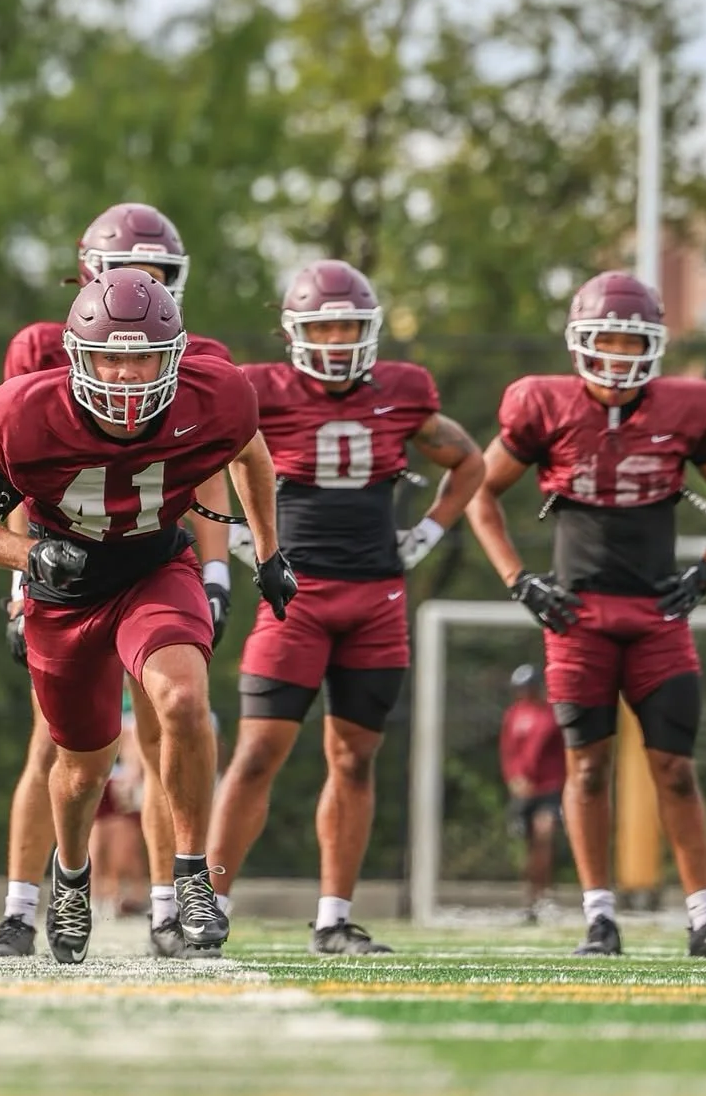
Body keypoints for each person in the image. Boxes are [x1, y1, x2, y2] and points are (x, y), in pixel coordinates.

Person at [0, 267, 296, 962]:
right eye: (110, 357)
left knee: (184, 702)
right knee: (82, 770)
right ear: (79, 355)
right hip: (66, 592)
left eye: (145, 358)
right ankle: (71, 878)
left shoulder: (216, 395)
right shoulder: (22, 414)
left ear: (174, 357)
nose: (128, 374)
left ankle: (191, 876)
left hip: (153, 568)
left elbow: (250, 453)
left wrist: (270, 551)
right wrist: (28, 557)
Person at [0, 202, 237, 961]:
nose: (145, 283)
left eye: (160, 272)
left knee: (168, 729)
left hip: (152, 560)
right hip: (64, 568)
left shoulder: (196, 359)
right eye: (131, 268)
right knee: (60, 750)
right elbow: (19, 472)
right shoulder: (44, 348)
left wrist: (217, 570)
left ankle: (168, 906)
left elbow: (213, 466)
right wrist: (21, 576)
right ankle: (22, 909)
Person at [206, 259, 485, 954]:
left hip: (376, 599)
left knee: (355, 760)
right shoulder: (257, 390)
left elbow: (470, 461)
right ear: (294, 332)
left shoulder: (402, 390)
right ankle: (204, 906)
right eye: (324, 327)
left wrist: (428, 533)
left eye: (350, 327)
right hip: (295, 597)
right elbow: (195, 461)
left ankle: (333, 917)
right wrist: (241, 541)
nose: (337, 341)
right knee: (256, 754)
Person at [465, 269, 706, 958]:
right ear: (580, 342)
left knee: (676, 768)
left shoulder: (689, 407)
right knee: (585, 769)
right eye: (606, 341)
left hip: (658, 616)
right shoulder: (544, 405)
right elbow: (478, 491)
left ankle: (705, 916)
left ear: (655, 345)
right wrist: (519, 580)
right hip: (576, 620)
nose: (618, 357)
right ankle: (599, 916)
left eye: (632, 342)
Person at [500, 664, 564, 922]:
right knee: (528, 846)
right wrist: (514, 779)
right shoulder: (514, 715)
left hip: (549, 787)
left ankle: (546, 894)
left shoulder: (551, 714)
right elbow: (508, 752)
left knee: (544, 836)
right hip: (524, 791)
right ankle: (530, 898)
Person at [89, 681, 148, 921]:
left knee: (120, 844)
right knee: (100, 840)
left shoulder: (134, 700)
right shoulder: (109, 698)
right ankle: (98, 897)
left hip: (119, 777)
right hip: (110, 776)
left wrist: (133, 773)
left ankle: (112, 896)